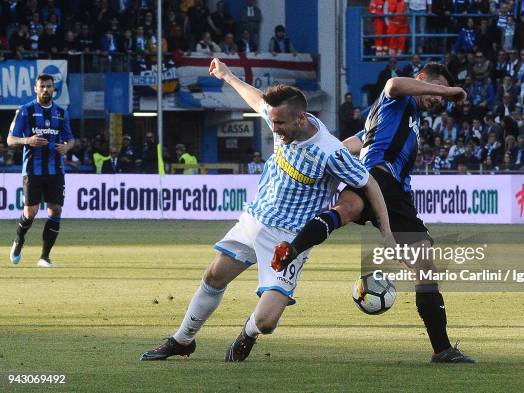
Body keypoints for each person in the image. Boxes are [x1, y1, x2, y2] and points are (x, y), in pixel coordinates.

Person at [140, 58, 394, 362]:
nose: (274, 129)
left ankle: (247, 332)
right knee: (213, 277)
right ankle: (183, 340)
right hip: (254, 219)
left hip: (288, 239)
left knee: (266, 322)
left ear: (300, 118)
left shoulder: (330, 152)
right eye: (272, 122)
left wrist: (388, 232)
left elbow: (370, 185)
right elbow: (256, 99)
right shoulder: (280, 117)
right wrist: (228, 76)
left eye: (279, 124)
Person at [271, 63, 475, 363]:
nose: (437, 99)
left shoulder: (397, 116)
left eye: (441, 98)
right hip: (386, 183)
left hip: (365, 176)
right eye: (434, 90)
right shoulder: (398, 98)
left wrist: (326, 159)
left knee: (346, 209)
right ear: (421, 80)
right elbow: (394, 84)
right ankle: (442, 349)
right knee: (425, 268)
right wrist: (447, 89)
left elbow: (352, 143)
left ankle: (291, 249)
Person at [7, 73, 74, 268]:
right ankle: (19, 240)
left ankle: (44, 257)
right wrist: (28, 140)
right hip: (33, 170)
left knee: (56, 209)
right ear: (35, 88)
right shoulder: (25, 110)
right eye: (42, 86)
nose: (46, 89)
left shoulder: (61, 113)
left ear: (54, 89)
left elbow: (70, 139)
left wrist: (66, 147)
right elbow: (11, 140)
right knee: (31, 212)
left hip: (56, 170)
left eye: (49, 86)